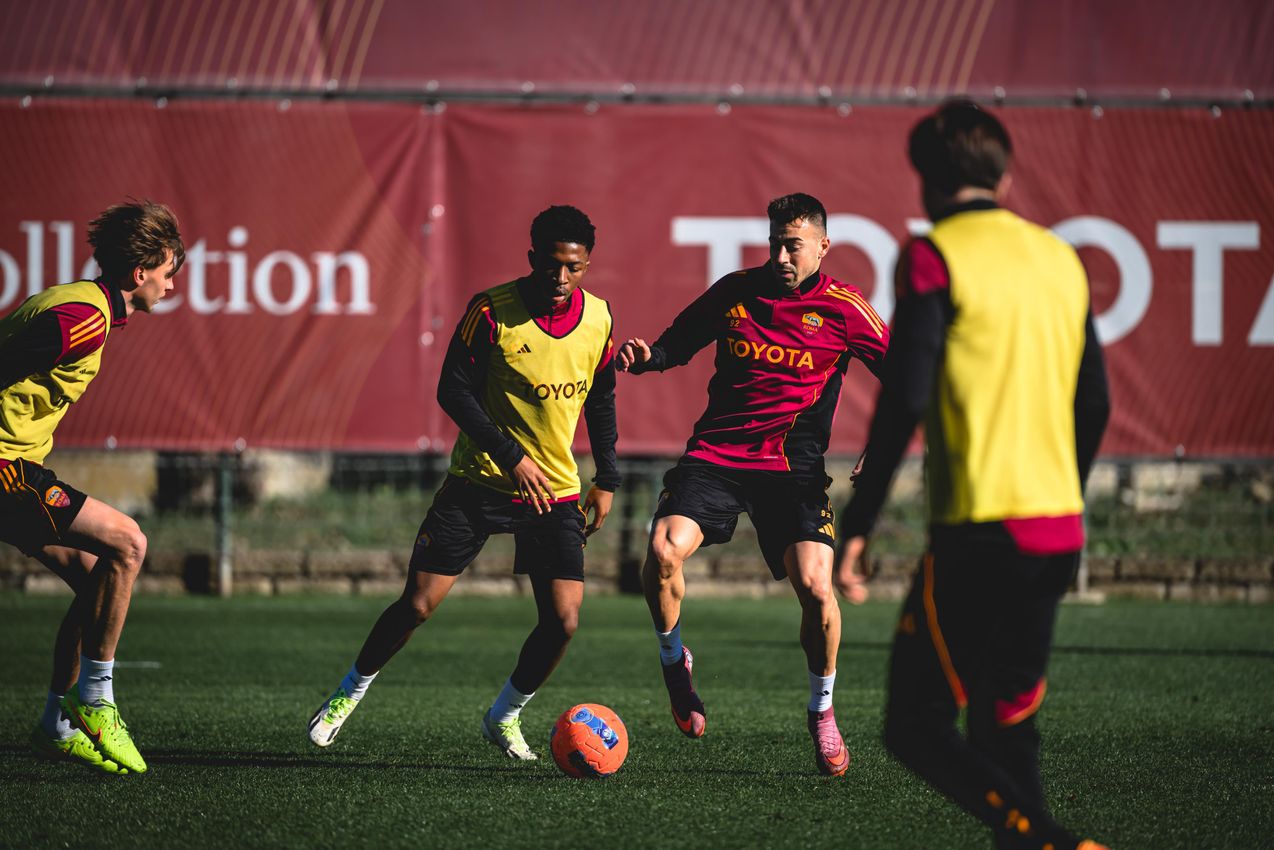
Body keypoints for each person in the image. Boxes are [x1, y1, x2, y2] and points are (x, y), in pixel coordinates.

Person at [837, 100, 1111, 849]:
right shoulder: (1061, 258)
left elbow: (906, 394)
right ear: (1006, 174)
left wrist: (858, 521)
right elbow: (1096, 400)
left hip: (982, 535)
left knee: (913, 726)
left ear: (925, 179)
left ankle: (1048, 839)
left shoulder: (933, 254)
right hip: (1057, 532)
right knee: (1007, 722)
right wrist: (1065, 488)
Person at [308, 205, 619, 760]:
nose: (562, 279)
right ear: (532, 259)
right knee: (419, 605)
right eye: (551, 266)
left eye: (574, 268)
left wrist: (609, 477)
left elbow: (601, 397)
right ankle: (346, 694)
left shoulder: (599, 318)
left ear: (588, 264)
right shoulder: (491, 310)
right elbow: (453, 390)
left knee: (564, 622)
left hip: (556, 494)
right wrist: (512, 457)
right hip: (478, 483)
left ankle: (504, 716)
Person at [617, 193, 889, 776]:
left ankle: (821, 711)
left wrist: (881, 449)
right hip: (716, 456)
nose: (782, 255)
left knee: (817, 588)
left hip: (793, 471)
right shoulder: (736, 290)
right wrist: (647, 357)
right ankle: (674, 662)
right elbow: (677, 343)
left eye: (793, 244)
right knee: (663, 550)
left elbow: (906, 379)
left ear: (822, 246)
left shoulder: (845, 309)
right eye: (775, 243)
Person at [1, 199, 185, 775]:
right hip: (6, 468)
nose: (172, 285)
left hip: (19, 464)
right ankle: (97, 701)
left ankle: (56, 726)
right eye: (169, 271)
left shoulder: (86, 306)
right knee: (128, 544)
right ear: (141, 272)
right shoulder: (83, 319)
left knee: (94, 579)